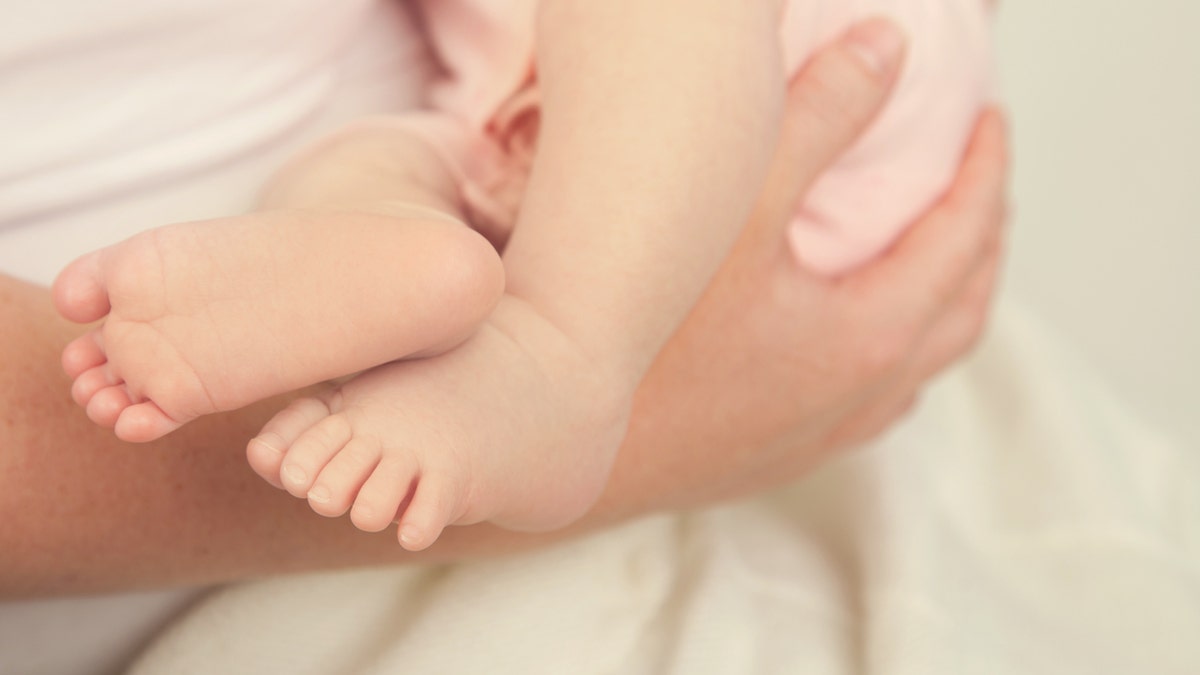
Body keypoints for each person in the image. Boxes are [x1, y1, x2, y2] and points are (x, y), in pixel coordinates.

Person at [0, 14, 1006, 597]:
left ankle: (558, 354)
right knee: (360, 165)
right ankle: (400, 239)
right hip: (521, 122)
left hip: (765, 125)